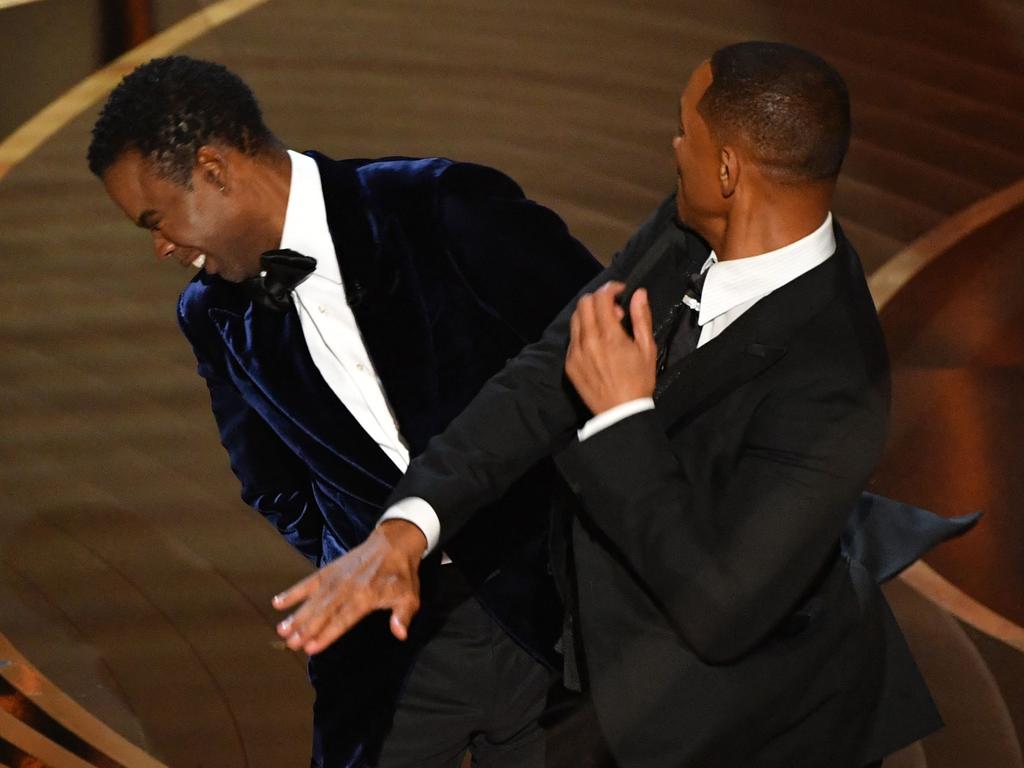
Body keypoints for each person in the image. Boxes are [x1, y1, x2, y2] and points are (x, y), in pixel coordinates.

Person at [271, 42, 953, 767]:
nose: (672, 146)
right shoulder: (692, 227)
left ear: (728, 169)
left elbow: (722, 611)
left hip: (758, 733)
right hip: (610, 688)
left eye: (685, 130)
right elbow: (544, 375)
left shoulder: (837, 378)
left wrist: (623, 418)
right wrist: (407, 530)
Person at [87, 55, 604, 768]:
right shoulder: (211, 315)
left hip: (553, 619)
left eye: (158, 219)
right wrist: (355, 554)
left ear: (212, 168)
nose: (160, 247)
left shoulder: (443, 206)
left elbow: (608, 351)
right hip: (388, 653)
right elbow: (269, 481)